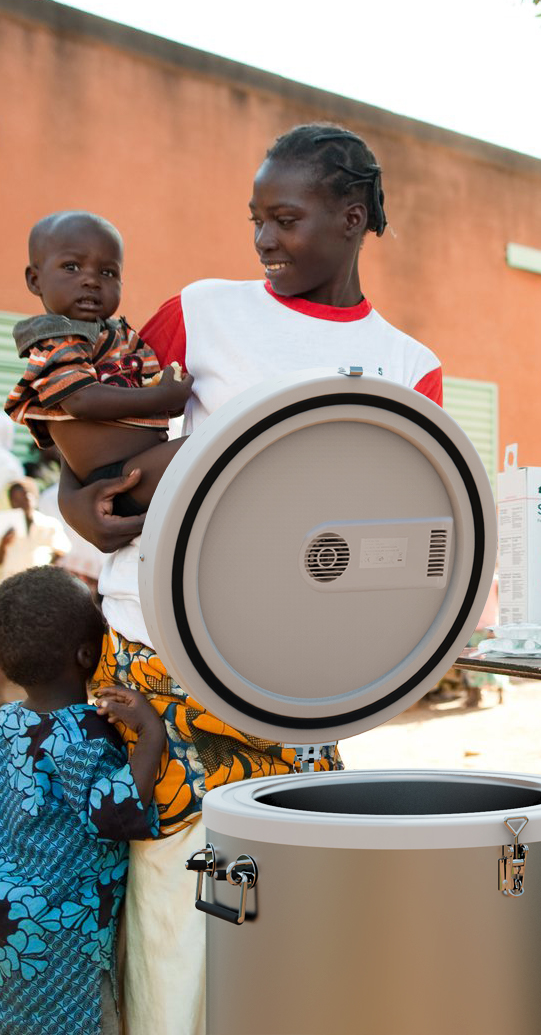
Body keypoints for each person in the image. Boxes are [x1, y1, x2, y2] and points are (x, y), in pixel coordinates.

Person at [57, 122, 443, 1035]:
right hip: (158, 658)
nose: (263, 240)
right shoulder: (202, 311)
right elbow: (89, 438)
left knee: (290, 900)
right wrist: (78, 510)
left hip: (297, 685)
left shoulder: (408, 369)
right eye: (254, 219)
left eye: (285, 218)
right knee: (169, 903)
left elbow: (412, 543)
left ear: (352, 219)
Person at [0, 566, 163, 1035]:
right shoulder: (78, 735)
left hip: (15, 914)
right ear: (87, 654)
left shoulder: (8, 720)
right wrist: (150, 734)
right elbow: (117, 814)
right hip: (61, 935)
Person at [4, 212, 194, 516]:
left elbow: (159, 395)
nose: (91, 280)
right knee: (208, 449)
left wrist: (170, 392)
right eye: (71, 267)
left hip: (142, 464)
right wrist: (161, 396)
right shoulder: (54, 339)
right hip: (112, 479)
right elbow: (81, 399)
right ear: (34, 279)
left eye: (107, 273)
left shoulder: (123, 338)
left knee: (210, 456)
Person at [0, 477, 70, 583]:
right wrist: (4, 543)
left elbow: (61, 552)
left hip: (37, 583)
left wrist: (46, 570)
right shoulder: (4, 524)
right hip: (9, 581)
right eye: (16, 500)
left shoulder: (49, 524)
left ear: (34, 498)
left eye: (25, 498)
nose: (20, 504)